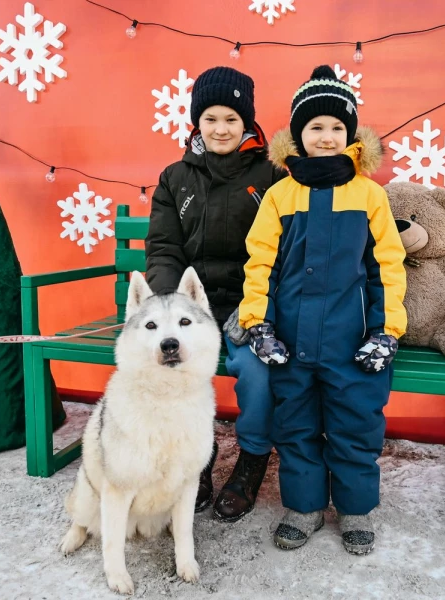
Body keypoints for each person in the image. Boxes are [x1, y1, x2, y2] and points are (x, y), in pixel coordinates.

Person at [239, 66, 408, 555]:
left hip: (352, 342)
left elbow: (388, 268)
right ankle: (304, 506)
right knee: (294, 425)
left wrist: (386, 331)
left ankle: (355, 509)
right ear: (297, 134)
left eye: (337, 127)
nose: (327, 136)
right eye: (315, 127)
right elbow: (260, 262)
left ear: (351, 134)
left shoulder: (370, 196)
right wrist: (258, 323)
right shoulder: (279, 195)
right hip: (289, 342)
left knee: (355, 425)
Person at [145, 66, 285, 522]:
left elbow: (282, 251)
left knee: (256, 370)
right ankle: (198, 457)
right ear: (196, 123)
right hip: (193, 308)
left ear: (247, 122)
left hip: (251, 305)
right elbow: (165, 248)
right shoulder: (175, 178)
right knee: (176, 364)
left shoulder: (272, 176)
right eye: (211, 119)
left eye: (231, 118)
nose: (221, 128)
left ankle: (251, 459)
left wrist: (256, 308)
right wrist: (173, 309)